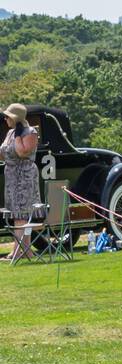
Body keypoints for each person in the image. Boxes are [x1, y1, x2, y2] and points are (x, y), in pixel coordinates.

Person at [2, 103, 41, 262]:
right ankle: (26, 251)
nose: (5, 118)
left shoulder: (30, 132)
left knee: (21, 216)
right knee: (18, 215)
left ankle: (16, 252)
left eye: (8, 116)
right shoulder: (10, 132)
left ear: (16, 118)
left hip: (24, 177)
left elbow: (21, 152)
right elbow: (4, 153)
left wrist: (18, 134)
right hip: (12, 177)